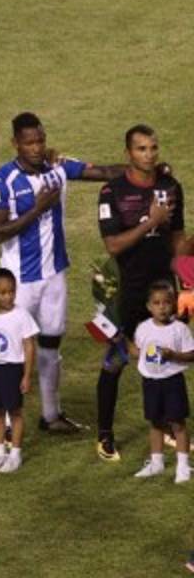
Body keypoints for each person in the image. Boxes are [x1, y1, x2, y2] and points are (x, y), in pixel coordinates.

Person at [0, 112, 122, 432]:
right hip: (18, 281)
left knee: (50, 345)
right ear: (15, 143)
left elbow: (103, 172)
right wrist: (37, 208)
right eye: (29, 142)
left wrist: (147, 171)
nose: (36, 148)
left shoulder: (57, 168)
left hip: (54, 275)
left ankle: (51, 415)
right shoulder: (1, 179)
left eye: (40, 141)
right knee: (12, 351)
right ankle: (6, 422)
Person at [95, 125, 188, 461]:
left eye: (153, 148)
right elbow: (113, 244)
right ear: (128, 153)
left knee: (164, 356)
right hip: (128, 289)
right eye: (141, 149)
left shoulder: (171, 186)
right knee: (116, 360)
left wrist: (186, 284)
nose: (149, 155)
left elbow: (178, 238)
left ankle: (166, 428)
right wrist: (150, 222)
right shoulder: (112, 192)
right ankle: (104, 434)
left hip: (163, 288)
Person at [129, 282, 194, 483]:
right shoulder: (143, 328)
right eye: (157, 303)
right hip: (151, 382)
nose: (162, 307)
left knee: (177, 423)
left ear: (173, 304)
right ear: (149, 306)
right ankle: (156, 462)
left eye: (166, 302)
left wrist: (173, 355)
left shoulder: (180, 329)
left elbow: (191, 354)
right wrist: (123, 342)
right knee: (155, 421)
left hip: (172, 382)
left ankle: (183, 466)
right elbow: (138, 351)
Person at [0, 268, 38, 474]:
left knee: (15, 411)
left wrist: (27, 375)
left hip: (12, 370)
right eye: (2, 292)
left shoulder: (22, 316)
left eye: (12, 291)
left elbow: (29, 346)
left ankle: (15, 454)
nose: (8, 296)